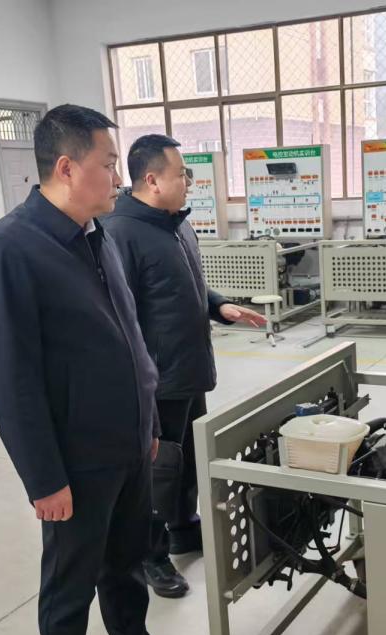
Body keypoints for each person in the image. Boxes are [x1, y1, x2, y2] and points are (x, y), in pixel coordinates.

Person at [0, 106, 202, 635]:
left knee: (126, 564)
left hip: (127, 445)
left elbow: (131, 339)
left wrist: (147, 425)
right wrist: (44, 478)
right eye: (108, 163)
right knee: (70, 587)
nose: (118, 177)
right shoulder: (9, 250)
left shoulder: (95, 235)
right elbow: (10, 382)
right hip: (73, 461)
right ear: (68, 168)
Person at [102, 134, 265, 599]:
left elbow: (184, 285)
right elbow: (120, 316)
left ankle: (182, 526)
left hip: (189, 369)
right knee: (158, 471)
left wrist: (220, 306)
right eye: (182, 174)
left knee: (188, 460)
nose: (189, 182)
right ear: (152, 180)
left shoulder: (177, 225)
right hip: (157, 380)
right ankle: (150, 554)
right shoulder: (120, 233)